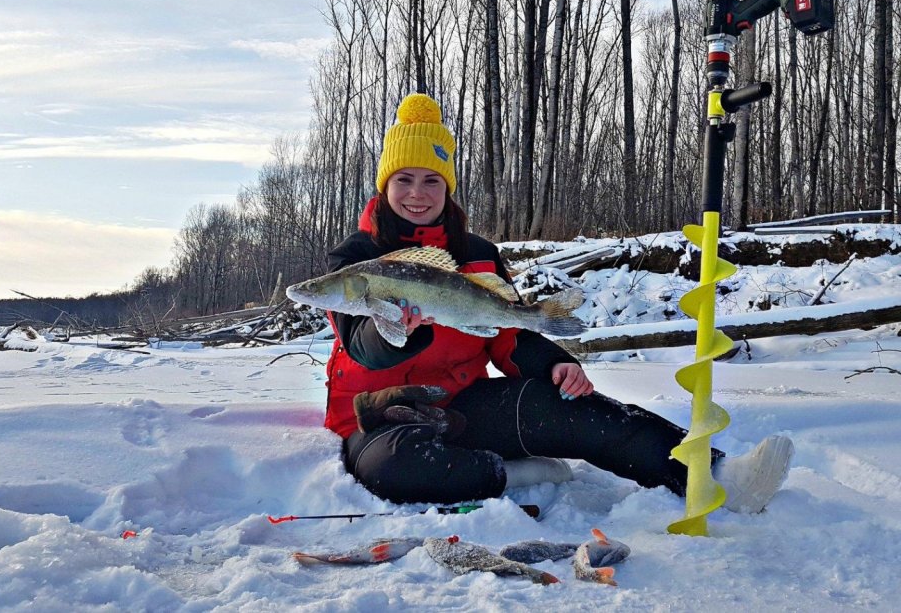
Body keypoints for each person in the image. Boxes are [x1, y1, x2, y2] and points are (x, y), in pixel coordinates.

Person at [323, 92, 793, 513]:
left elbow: (507, 331)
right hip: (376, 415)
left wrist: (554, 364)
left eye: (432, 180)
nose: (417, 194)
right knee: (399, 470)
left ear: (448, 187)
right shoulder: (356, 259)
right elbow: (359, 347)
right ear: (385, 185)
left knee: (576, 405)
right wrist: (396, 329)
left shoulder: (479, 254)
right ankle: (511, 474)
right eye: (404, 179)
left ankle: (713, 475)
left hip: (460, 404)